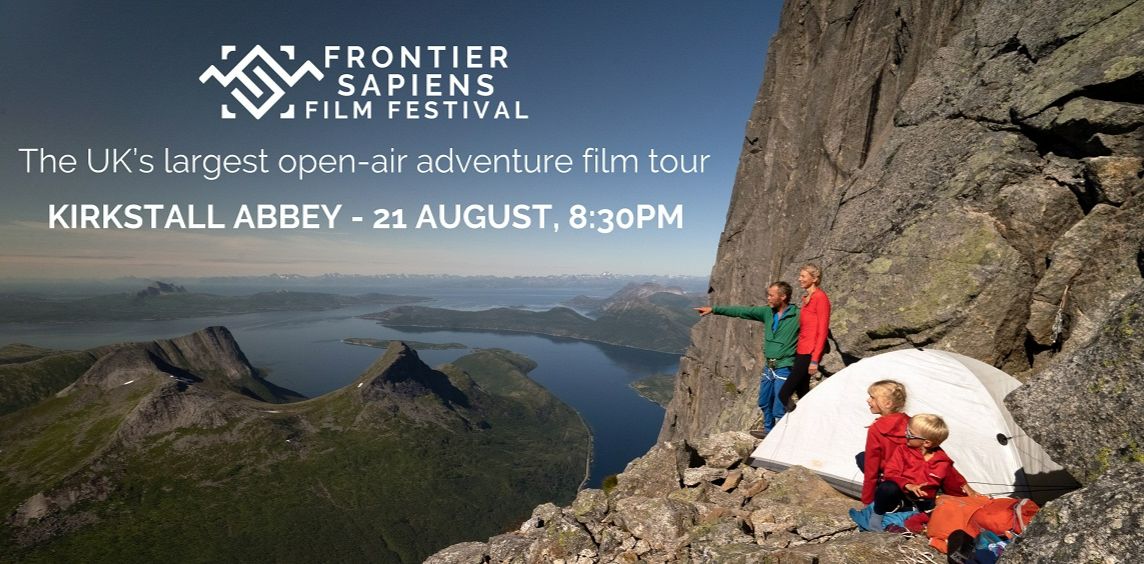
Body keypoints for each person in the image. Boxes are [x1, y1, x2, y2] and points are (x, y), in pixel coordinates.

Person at [695, 281, 799, 438]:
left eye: (771, 295)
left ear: (783, 296)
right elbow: (742, 311)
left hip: (784, 366)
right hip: (769, 366)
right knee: (764, 402)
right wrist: (714, 309)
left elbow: (817, 327)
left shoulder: (797, 315)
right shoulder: (767, 313)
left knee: (779, 406)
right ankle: (768, 431)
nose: (768, 298)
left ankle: (783, 437)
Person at [868, 413, 976, 531]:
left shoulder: (942, 462)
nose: (906, 435)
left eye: (910, 434)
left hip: (925, 501)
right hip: (902, 495)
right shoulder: (902, 451)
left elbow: (954, 482)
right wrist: (908, 485)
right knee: (886, 487)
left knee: (944, 507)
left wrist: (969, 495)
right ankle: (877, 516)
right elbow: (891, 472)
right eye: (907, 431)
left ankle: (914, 516)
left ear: (926, 443)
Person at [781, 263, 831, 410]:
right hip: (802, 349)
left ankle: (795, 419)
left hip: (810, 351)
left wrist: (815, 360)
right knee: (802, 391)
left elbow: (822, 331)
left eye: (803, 276)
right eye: (800, 276)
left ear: (814, 278)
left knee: (784, 394)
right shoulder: (807, 298)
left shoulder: (820, 298)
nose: (799, 279)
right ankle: (808, 421)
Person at [858, 380, 909, 505]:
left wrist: (867, 500)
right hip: (913, 477)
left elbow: (871, 468)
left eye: (873, 398)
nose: (868, 400)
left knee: (862, 457)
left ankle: (882, 492)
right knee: (862, 456)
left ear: (887, 403)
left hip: (891, 478)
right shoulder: (912, 423)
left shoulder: (876, 429)